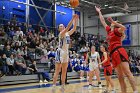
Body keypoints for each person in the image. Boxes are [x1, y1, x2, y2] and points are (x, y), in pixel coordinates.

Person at [95, 6, 138, 93]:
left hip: (119, 51)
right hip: (113, 54)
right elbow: (103, 21)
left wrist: (114, 22)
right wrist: (99, 12)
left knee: (127, 72)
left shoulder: (116, 30)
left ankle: (135, 91)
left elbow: (124, 28)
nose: (111, 24)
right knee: (120, 76)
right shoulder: (109, 31)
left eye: (113, 23)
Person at [52, 14, 78, 92]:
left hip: (66, 52)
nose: (62, 26)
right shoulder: (61, 34)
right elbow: (68, 28)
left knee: (64, 71)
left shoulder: (67, 34)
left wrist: (76, 20)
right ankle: (53, 86)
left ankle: (62, 86)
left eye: (62, 25)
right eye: (60, 26)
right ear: (59, 29)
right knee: (57, 70)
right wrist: (72, 18)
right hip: (60, 52)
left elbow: (74, 28)